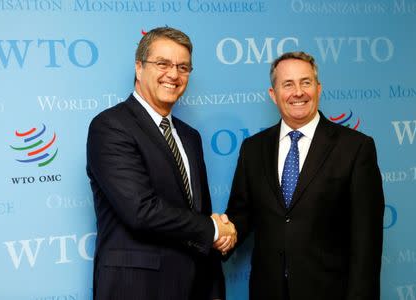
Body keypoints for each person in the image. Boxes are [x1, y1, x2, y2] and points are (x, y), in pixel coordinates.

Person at [219, 51, 384, 300]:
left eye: (305, 82)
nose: (298, 92)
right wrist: (218, 235)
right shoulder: (253, 149)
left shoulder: (355, 148)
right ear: (273, 95)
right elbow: (241, 214)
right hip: (268, 291)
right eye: (288, 84)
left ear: (318, 88)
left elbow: (367, 241)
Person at [86, 26, 235, 300]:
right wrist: (213, 229)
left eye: (183, 67)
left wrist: (221, 236)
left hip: (196, 285)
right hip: (137, 287)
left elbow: (197, 213)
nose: (174, 75)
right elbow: (140, 210)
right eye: (163, 64)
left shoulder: (190, 136)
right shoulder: (110, 127)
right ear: (139, 67)